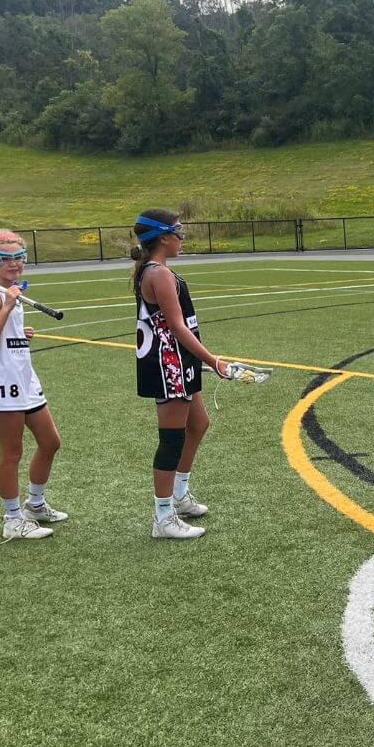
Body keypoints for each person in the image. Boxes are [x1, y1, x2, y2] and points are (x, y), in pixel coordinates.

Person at [131, 209, 231, 539]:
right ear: (162, 237)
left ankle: (179, 493)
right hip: (168, 364)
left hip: (179, 360)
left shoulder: (159, 271)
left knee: (198, 424)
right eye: (178, 231)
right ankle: (163, 517)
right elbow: (175, 327)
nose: (182, 237)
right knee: (171, 440)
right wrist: (212, 360)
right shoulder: (157, 274)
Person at [0, 230, 67, 540]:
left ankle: (35, 504)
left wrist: (17, 332)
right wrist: (8, 309)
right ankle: (12, 519)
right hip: (2, 380)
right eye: (4, 258)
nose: (13, 263)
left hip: (24, 375)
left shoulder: (9, 290)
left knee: (51, 441)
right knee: (11, 452)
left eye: (18, 257)